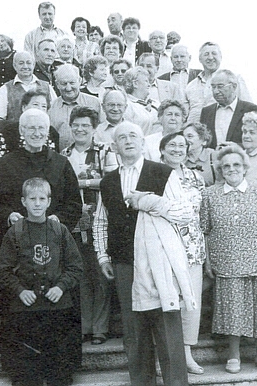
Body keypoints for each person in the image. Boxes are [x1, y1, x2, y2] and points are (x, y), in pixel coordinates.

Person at [92, 121, 190, 385]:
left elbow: (185, 213)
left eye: (133, 135)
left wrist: (149, 202)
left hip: (159, 261)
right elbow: (101, 221)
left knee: (167, 328)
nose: (128, 140)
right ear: (114, 146)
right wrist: (103, 256)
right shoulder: (108, 182)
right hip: (125, 263)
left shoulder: (163, 173)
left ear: (143, 141)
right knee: (134, 333)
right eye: (122, 137)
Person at [201, 144, 257, 374]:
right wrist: (208, 261)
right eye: (226, 166)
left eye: (236, 164)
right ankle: (233, 356)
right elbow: (205, 231)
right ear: (220, 169)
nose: (231, 169)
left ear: (245, 167)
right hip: (225, 261)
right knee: (231, 309)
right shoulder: (209, 194)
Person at [0, 177, 83, 386]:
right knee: (26, 374)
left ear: (48, 202)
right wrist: (20, 290)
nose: (37, 203)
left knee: (59, 372)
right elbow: (3, 271)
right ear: (23, 201)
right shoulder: (15, 232)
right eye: (32, 198)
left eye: (41, 198)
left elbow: (76, 266)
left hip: (57, 308)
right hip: (25, 310)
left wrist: (61, 287)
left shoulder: (59, 231)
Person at [0, 109, 81, 258]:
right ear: (22, 130)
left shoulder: (61, 163)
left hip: (52, 241)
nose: (37, 133)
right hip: (15, 243)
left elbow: (74, 202)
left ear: (47, 131)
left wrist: (59, 219)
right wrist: (8, 216)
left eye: (41, 128)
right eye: (31, 128)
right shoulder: (6, 164)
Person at [60, 107, 117, 346]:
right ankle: (84, 326)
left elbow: (113, 181)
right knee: (79, 274)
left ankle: (100, 328)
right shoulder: (64, 154)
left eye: (86, 125)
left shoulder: (104, 151)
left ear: (94, 129)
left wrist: (83, 182)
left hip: (100, 220)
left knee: (100, 273)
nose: (80, 129)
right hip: (74, 221)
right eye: (76, 125)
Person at [158, 132, 207, 374]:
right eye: (172, 145)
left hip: (192, 247)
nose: (177, 149)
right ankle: (166, 356)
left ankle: (187, 354)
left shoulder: (197, 178)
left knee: (190, 302)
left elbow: (203, 214)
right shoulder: (153, 174)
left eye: (181, 145)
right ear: (162, 149)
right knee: (166, 301)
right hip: (163, 246)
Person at [185, 42, 252, 123]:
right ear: (200, 59)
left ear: (221, 57)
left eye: (214, 53)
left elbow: (248, 108)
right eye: (206, 54)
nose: (210, 57)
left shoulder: (234, 79)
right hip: (195, 132)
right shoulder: (191, 86)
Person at [200, 69, 257, 149]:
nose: (216, 91)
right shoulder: (206, 112)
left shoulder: (252, 110)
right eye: (213, 87)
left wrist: (238, 147)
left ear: (234, 87)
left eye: (220, 86)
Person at [49, 64, 102, 151]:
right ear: (57, 84)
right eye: (64, 83)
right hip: (60, 159)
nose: (68, 88)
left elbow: (102, 130)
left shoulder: (95, 103)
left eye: (72, 83)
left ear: (80, 81)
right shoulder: (51, 107)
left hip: (90, 159)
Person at [0, 51, 56, 123]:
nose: (25, 66)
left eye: (28, 63)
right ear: (15, 66)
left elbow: (55, 114)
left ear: (33, 65)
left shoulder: (47, 87)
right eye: (21, 63)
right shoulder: (5, 89)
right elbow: (0, 118)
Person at [122, 67, 160, 136]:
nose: (149, 85)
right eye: (146, 81)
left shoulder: (156, 103)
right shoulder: (127, 106)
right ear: (135, 84)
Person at [183, 122, 217, 186]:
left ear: (204, 141)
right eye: (183, 137)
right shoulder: (178, 157)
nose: (185, 140)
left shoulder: (214, 156)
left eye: (190, 136)